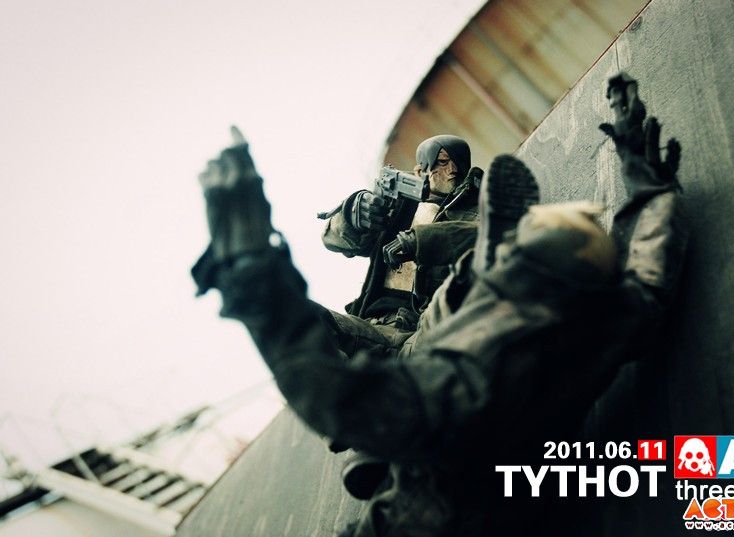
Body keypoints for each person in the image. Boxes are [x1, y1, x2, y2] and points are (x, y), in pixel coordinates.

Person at [192, 73, 687, 536]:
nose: (427, 173)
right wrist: (651, 189)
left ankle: (378, 441)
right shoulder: (595, 328)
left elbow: (337, 397)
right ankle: (379, 439)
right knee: (371, 327)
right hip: (432, 400)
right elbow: (648, 285)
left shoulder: (466, 376)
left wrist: (252, 270)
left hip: (431, 462)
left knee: (442, 305)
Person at [317, 135, 538, 358]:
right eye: (442, 162)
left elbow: (496, 238)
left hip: (424, 330)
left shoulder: (478, 209)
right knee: (309, 318)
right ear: (420, 169)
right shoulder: (397, 209)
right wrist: (353, 215)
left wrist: (420, 240)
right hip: (370, 326)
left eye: (458, 162)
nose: (452, 170)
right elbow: (334, 240)